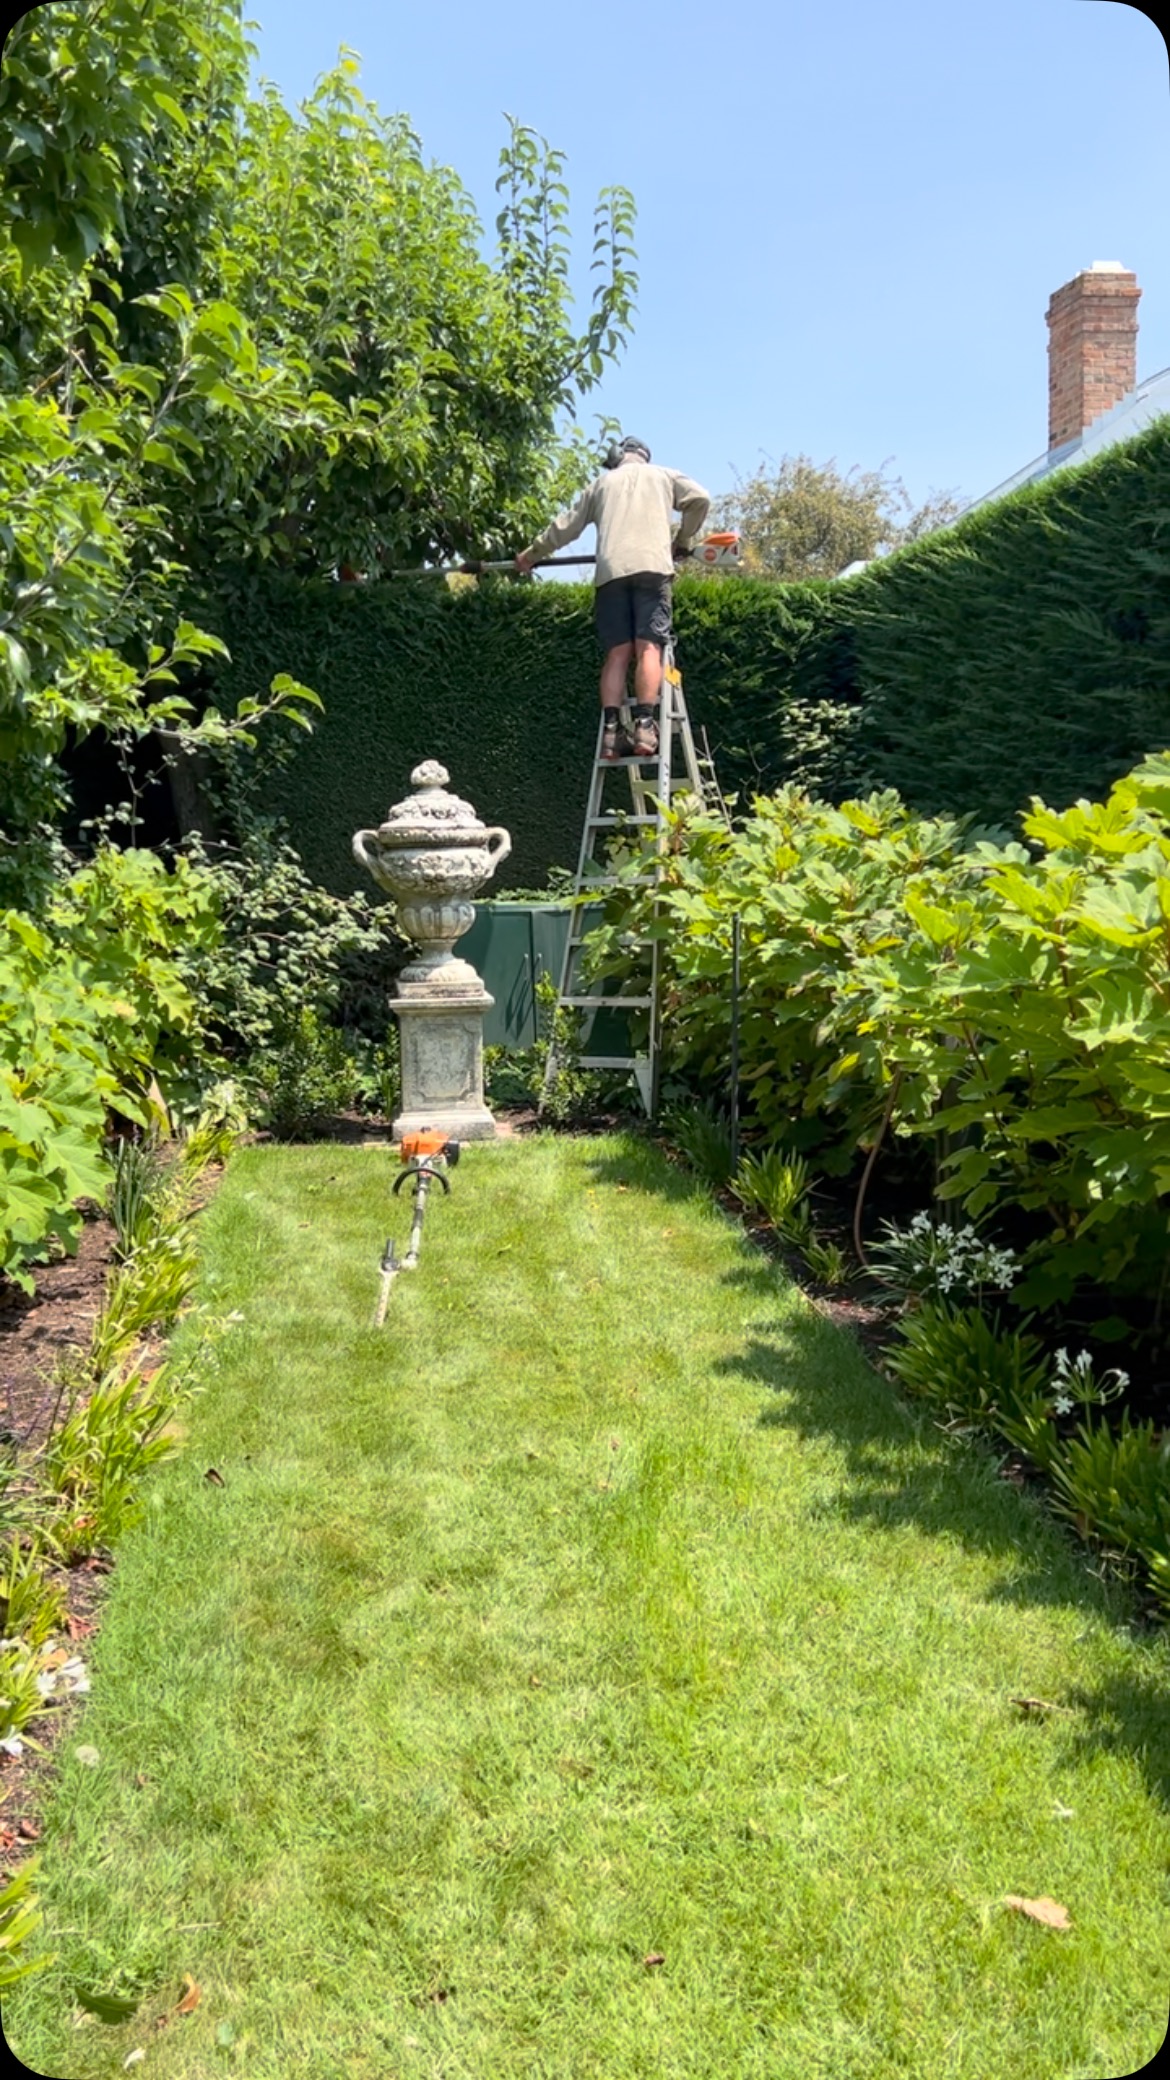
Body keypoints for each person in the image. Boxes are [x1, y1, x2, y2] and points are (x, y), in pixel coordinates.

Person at [515, 437, 710, 759]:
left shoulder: (600, 485)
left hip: (610, 574)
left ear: (617, 456)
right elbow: (700, 498)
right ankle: (645, 726)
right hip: (653, 568)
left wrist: (531, 555)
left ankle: (610, 731)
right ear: (645, 457)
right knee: (648, 646)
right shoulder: (665, 476)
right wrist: (684, 541)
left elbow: (566, 527)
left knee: (618, 654)